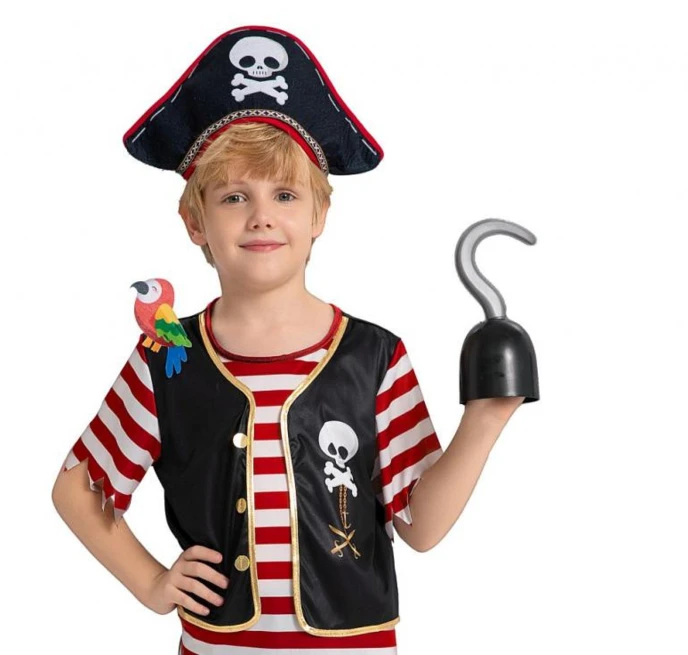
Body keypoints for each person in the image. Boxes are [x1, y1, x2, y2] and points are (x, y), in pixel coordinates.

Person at [51, 25, 524, 655]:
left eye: (284, 194)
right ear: (195, 221)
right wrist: (152, 583)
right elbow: (77, 487)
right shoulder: (166, 358)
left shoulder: (375, 357)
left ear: (319, 214)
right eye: (233, 197)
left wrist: (485, 420)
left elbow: (421, 524)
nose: (261, 216)